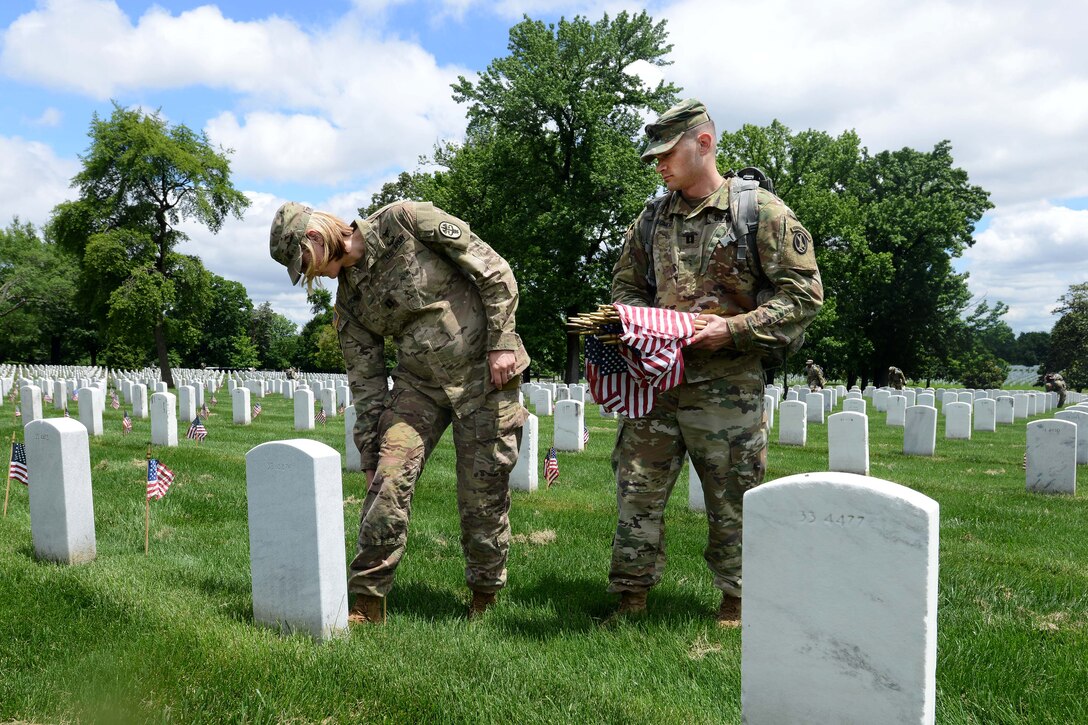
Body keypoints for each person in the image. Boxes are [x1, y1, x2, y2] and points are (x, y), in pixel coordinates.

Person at [608, 99, 823, 626]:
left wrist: (734, 328)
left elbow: (803, 295)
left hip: (727, 385)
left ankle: (738, 600)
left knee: (733, 496)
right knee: (637, 489)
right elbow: (627, 285)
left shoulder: (761, 213)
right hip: (657, 381)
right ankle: (630, 598)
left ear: (703, 143)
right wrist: (642, 325)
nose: (658, 165)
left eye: (666, 153)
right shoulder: (651, 218)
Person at [269, 200, 530, 623]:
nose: (311, 276)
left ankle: (485, 596)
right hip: (419, 388)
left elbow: (493, 270)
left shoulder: (404, 221)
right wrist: (370, 455)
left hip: (485, 373)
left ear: (315, 238)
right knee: (388, 482)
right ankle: (368, 602)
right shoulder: (349, 305)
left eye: (306, 264)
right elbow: (366, 382)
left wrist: (502, 341)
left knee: (482, 494)